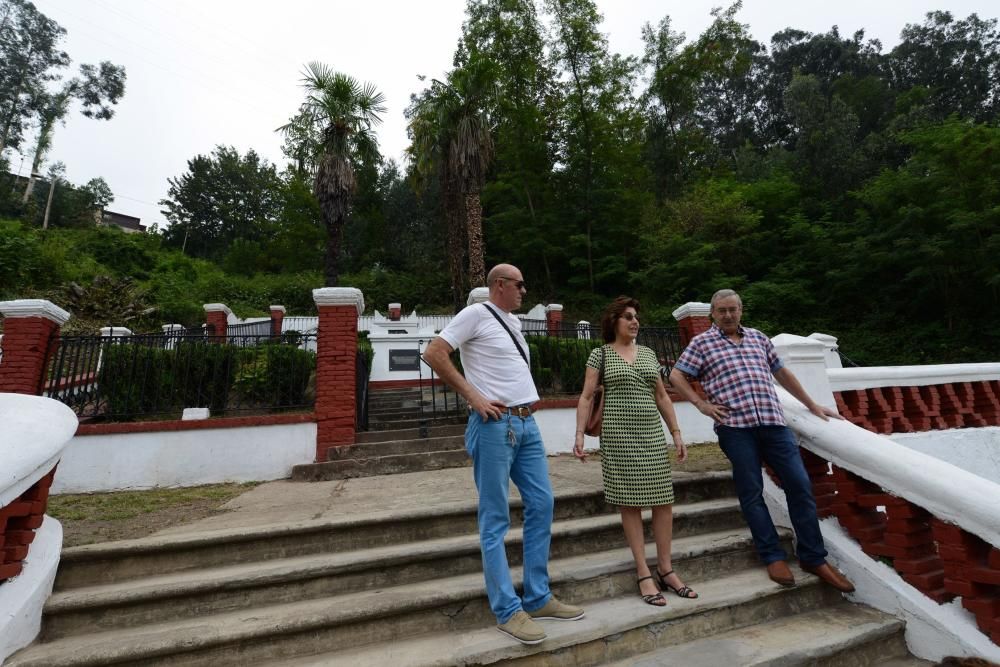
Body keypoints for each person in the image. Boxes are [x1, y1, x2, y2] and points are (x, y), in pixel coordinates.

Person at [422, 264, 584, 645]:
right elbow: (435, 352)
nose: (524, 291)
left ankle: (538, 596)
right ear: (500, 285)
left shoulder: (512, 323)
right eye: (519, 284)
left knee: (542, 504)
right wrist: (474, 396)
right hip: (495, 425)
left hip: (526, 423)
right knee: (495, 518)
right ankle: (508, 610)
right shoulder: (476, 313)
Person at [668, 289, 856, 593]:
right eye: (722, 311)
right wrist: (702, 405)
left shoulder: (757, 337)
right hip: (735, 428)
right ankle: (772, 555)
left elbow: (782, 374)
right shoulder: (701, 343)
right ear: (712, 314)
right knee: (751, 492)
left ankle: (813, 557)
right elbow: (676, 376)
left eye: (733, 309)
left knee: (799, 485)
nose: (728, 315)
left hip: (773, 423)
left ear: (741, 310)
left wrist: (811, 405)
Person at [573, 296, 696, 607]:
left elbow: (662, 396)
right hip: (618, 437)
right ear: (614, 321)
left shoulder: (648, 353)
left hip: (651, 435)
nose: (634, 321)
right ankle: (643, 572)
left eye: (636, 317)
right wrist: (579, 435)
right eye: (628, 316)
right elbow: (587, 397)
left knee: (663, 500)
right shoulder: (599, 354)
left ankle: (666, 570)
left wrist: (677, 433)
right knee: (630, 503)